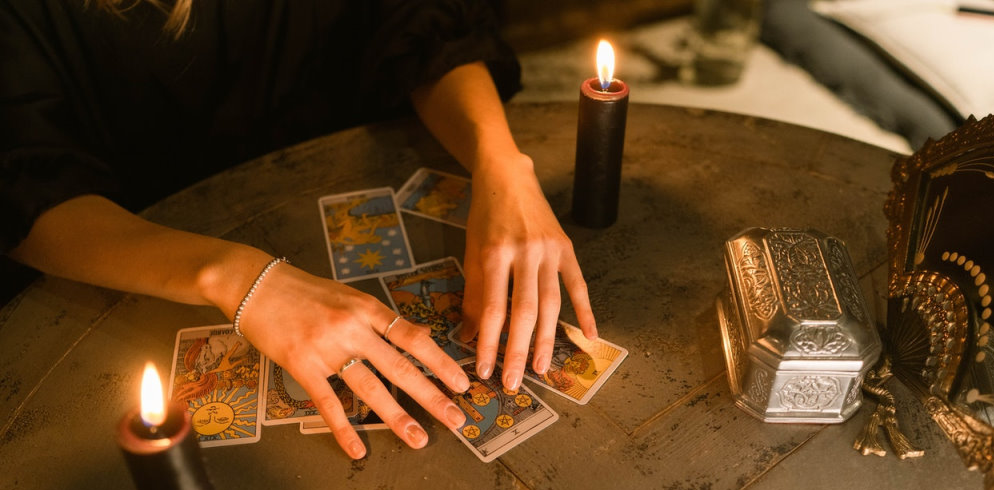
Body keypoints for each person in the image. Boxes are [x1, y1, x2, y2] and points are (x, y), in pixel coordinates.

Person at [0, 0, 597, 459]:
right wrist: (235, 278)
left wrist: (500, 162)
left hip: (351, 172)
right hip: (140, 259)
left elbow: (420, 24)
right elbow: (26, 188)